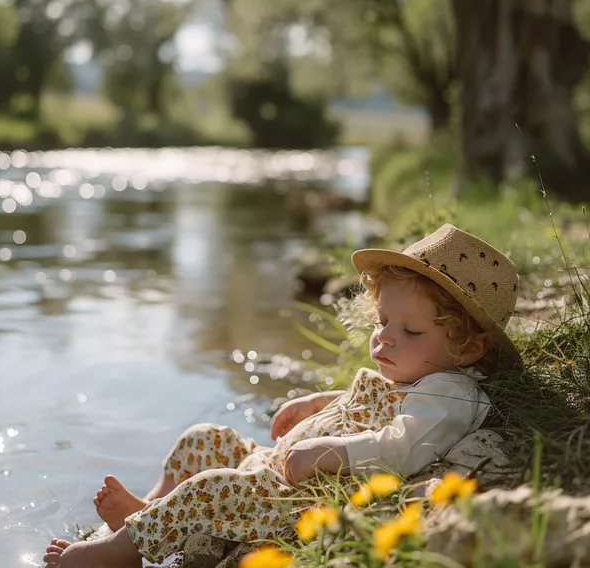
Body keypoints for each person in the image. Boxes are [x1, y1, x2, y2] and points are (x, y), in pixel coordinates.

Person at [44, 223, 521, 568]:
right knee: (203, 437)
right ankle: (149, 512)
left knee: (210, 485)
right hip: (274, 465)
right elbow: (370, 400)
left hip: (290, 495)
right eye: (381, 323)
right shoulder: (420, 372)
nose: (385, 339)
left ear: (468, 347)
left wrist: (326, 451)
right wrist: (317, 405)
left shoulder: (451, 393)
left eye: (410, 330)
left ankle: (118, 553)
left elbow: (403, 444)